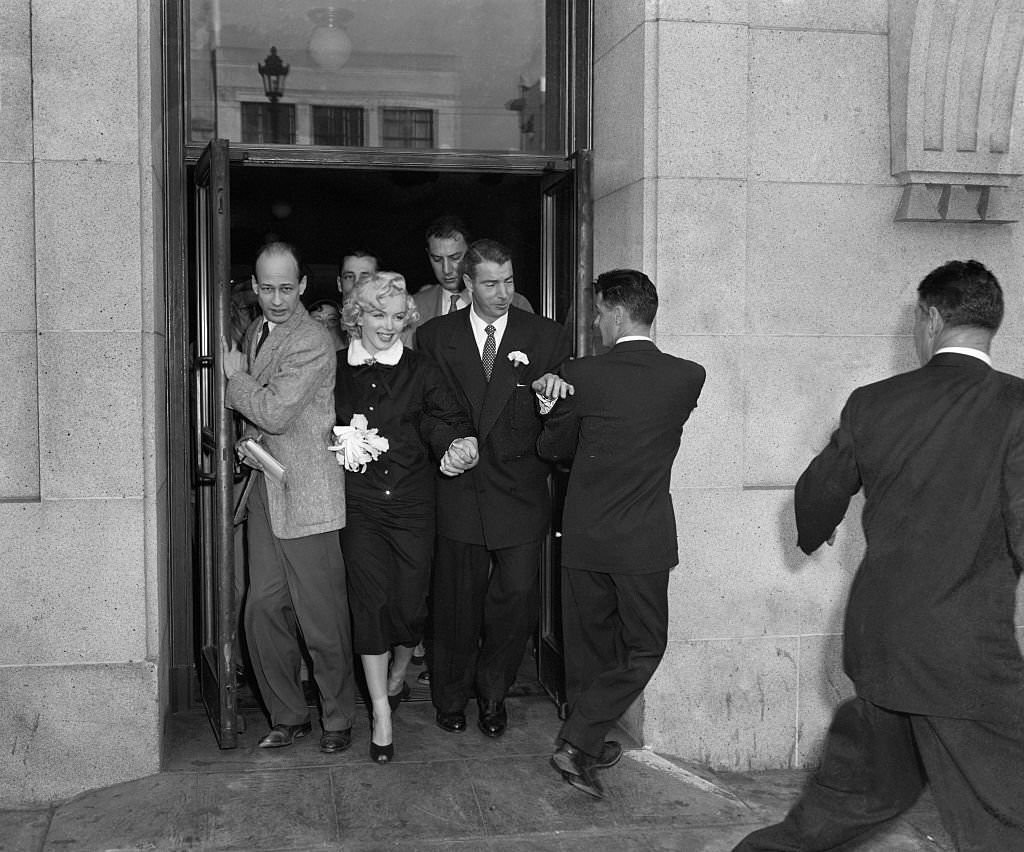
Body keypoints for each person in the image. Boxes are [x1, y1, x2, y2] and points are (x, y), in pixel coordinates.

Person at [733, 260, 1024, 851]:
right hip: (967, 656)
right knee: (1005, 818)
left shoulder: (874, 401)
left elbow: (817, 493)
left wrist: (819, 528)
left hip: (881, 642)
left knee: (856, 800)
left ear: (931, 318)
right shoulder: (1016, 406)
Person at [536, 269, 706, 799]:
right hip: (642, 539)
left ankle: (581, 742)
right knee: (643, 645)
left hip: (586, 536)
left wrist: (553, 404)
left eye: (596, 312)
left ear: (614, 311)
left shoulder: (580, 374)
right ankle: (581, 744)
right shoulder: (688, 376)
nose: (594, 322)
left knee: (586, 648)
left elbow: (553, 450)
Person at [416, 238, 571, 738]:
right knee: (456, 603)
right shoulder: (436, 337)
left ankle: (494, 693)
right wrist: (451, 445)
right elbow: (431, 410)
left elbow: (563, 420)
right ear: (467, 284)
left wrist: (553, 400)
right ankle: (451, 696)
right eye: (490, 283)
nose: (503, 292)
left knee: (515, 600)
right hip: (460, 488)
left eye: (508, 281)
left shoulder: (546, 337)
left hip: (521, 491)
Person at [335, 271, 478, 763]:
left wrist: (458, 445)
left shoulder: (423, 369)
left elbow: (446, 420)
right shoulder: (336, 369)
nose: (388, 326)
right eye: (378, 314)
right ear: (357, 316)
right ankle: (381, 711)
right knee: (370, 602)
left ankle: (399, 671)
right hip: (362, 505)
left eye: (398, 317)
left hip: (415, 503)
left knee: (411, 603)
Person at [222, 241, 356, 754]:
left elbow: (275, 413)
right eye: (267, 288)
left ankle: (339, 719)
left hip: (308, 493)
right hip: (265, 490)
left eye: (286, 287)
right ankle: (288, 714)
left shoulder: (312, 339)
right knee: (261, 609)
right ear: (254, 288)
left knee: (321, 618)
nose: (277, 298)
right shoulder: (256, 330)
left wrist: (235, 379)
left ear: (302, 286)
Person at [413, 216, 533, 327]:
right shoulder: (415, 306)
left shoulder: (516, 304)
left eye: (455, 258)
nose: (446, 269)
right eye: (437, 259)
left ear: (471, 253)